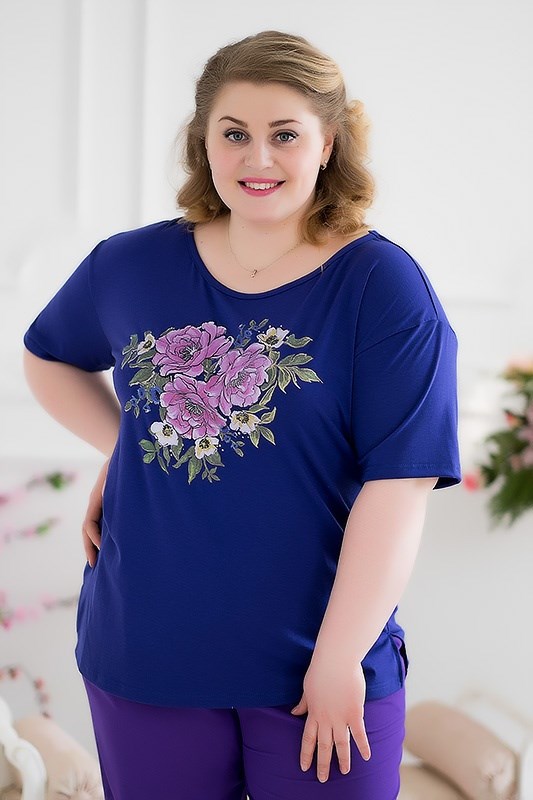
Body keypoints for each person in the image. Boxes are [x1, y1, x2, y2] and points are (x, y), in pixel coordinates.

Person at [22, 29, 461, 800]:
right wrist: (126, 447)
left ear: (328, 143)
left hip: (318, 666)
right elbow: (48, 356)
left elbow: (399, 486)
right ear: (203, 142)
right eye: (234, 134)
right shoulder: (130, 265)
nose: (257, 158)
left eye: (284, 134)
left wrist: (336, 660)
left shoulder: (382, 286)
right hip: (145, 655)